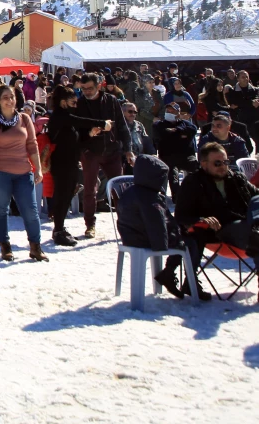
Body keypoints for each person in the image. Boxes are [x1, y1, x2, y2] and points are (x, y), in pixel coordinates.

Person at [175, 142, 259, 306]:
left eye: (226, 162)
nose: (223, 167)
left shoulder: (235, 177)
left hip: (248, 229)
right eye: (217, 163)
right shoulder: (193, 182)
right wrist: (201, 220)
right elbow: (181, 215)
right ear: (204, 164)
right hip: (220, 231)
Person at [0, 85, 47, 262]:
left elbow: (32, 145)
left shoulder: (24, 119)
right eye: (5, 98)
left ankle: (35, 247)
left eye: (12, 97)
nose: (10, 101)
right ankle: (5, 246)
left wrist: (38, 168)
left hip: (23, 171)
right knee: (1, 210)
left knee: (31, 210)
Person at [115, 153, 196, 299]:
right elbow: (156, 225)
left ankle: (169, 273)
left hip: (130, 235)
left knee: (180, 233)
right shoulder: (150, 198)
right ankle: (175, 275)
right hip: (145, 238)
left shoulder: (130, 192)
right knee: (188, 241)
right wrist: (164, 244)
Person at [45, 86, 105, 247]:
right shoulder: (60, 116)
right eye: (72, 101)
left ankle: (60, 227)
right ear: (63, 102)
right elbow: (81, 122)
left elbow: (76, 142)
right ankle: (58, 230)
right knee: (62, 196)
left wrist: (90, 134)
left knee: (66, 195)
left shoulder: (67, 118)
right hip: (61, 163)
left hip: (71, 161)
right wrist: (102, 122)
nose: (75, 104)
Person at [75, 72, 132, 239]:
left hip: (112, 150)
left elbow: (122, 126)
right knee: (90, 189)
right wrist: (89, 134)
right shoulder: (79, 104)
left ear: (99, 85)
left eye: (90, 88)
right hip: (90, 152)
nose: (86, 91)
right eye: (83, 88)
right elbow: (77, 131)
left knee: (118, 189)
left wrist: (128, 149)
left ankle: (125, 224)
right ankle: (90, 225)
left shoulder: (111, 100)